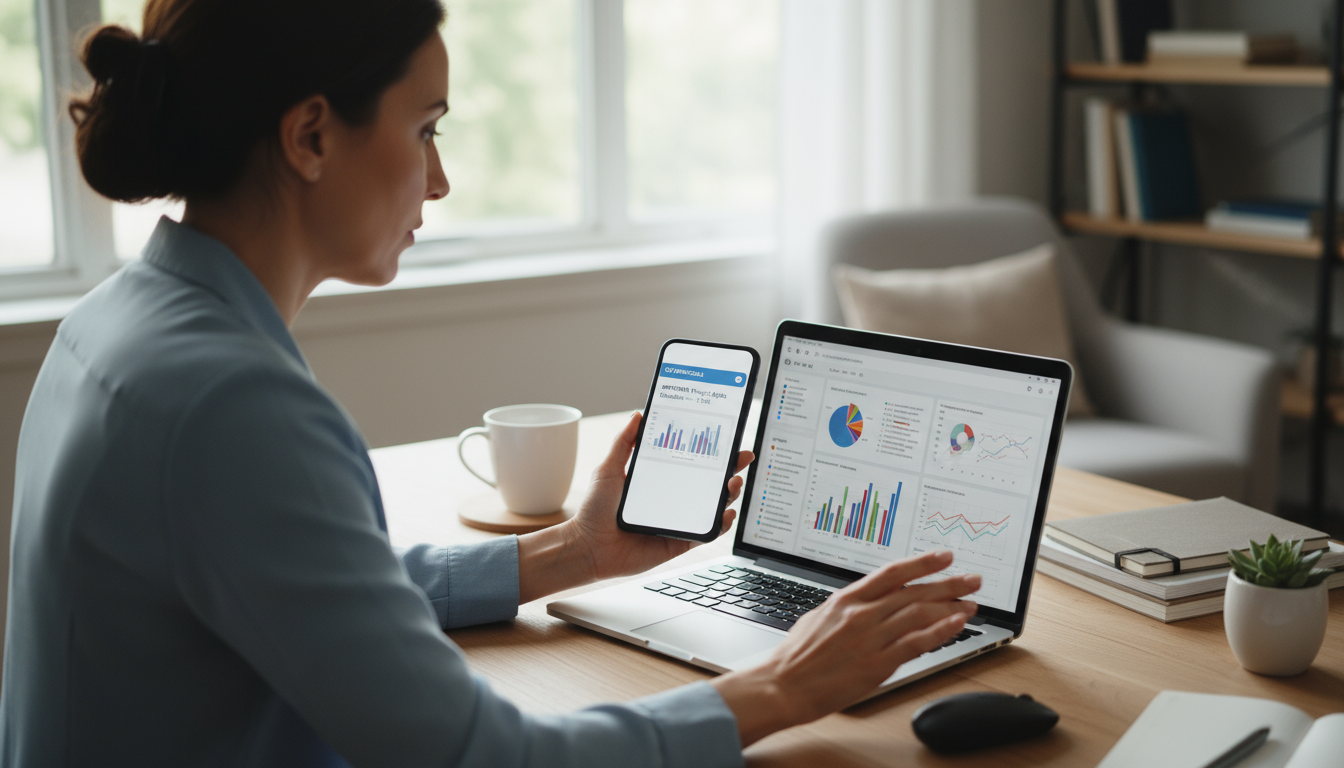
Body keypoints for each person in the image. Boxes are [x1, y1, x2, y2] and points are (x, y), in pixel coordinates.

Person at [0, 1, 981, 766]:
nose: (440, 180)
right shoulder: (229, 403)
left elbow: (318, 596)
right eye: (426, 128)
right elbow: (480, 755)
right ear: (309, 136)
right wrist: (785, 684)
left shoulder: (121, 321)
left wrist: (571, 552)